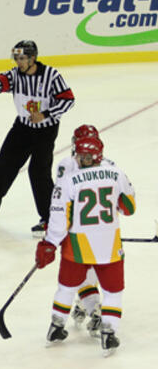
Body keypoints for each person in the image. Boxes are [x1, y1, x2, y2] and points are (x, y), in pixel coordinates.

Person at [0, 40, 75, 237]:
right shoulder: (14, 76)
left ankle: (49, 218)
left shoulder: (51, 75)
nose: (18, 62)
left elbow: (68, 100)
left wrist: (45, 114)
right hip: (22, 127)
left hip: (46, 129)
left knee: (39, 172)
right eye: (17, 58)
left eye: (22, 59)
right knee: (4, 164)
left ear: (33, 58)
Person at [34, 130, 135, 357]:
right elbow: (129, 208)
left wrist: (49, 243)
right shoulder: (116, 173)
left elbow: (60, 219)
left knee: (67, 287)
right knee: (113, 291)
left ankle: (56, 327)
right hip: (109, 246)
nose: (79, 159)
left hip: (77, 247)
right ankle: (109, 333)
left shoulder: (69, 180)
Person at [57, 125, 114, 336]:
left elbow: (60, 200)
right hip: (107, 230)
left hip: (77, 230)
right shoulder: (111, 166)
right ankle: (87, 305)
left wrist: (55, 229)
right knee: (94, 269)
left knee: (79, 270)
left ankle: (93, 308)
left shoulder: (66, 165)